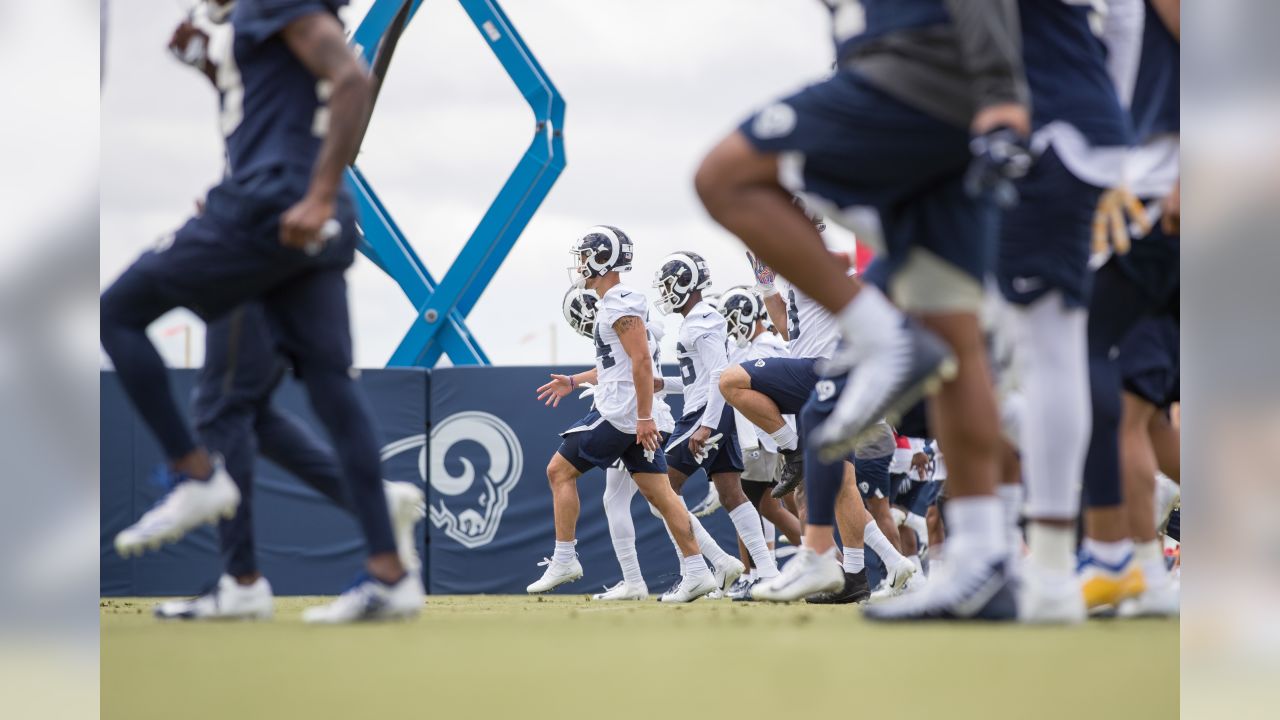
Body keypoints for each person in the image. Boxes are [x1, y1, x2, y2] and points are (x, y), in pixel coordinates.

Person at [699, 0, 1031, 620]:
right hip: (934, 96)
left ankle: (879, 336)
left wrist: (1001, 89)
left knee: (725, 177)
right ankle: (986, 563)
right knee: (956, 345)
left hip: (905, 75)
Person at [101, 0, 422, 622]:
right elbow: (273, 96)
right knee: (330, 390)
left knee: (121, 314)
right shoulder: (260, 28)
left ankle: (195, 476)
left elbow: (352, 79)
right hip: (308, 215)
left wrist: (318, 191)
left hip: (264, 210)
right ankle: (390, 571)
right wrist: (206, 59)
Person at [528, 227, 719, 603]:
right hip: (632, 411)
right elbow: (617, 364)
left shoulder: (618, 302)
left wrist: (644, 417)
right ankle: (698, 570)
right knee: (662, 496)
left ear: (601, 258)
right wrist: (573, 379)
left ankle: (565, 558)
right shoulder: (619, 303)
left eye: (585, 255)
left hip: (621, 413)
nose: (580, 264)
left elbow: (641, 360)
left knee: (558, 471)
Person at [652, 253, 781, 589]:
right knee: (732, 494)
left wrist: (707, 424)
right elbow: (703, 378)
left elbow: (719, 375)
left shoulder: (702, 319)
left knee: (661, 490)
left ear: (684, 283)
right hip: (712, 410)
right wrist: (665, 383)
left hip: (705, 414)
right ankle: (768, 573)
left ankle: (702, 568)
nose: (665, 293)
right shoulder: (698, 318)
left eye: (668, 285)